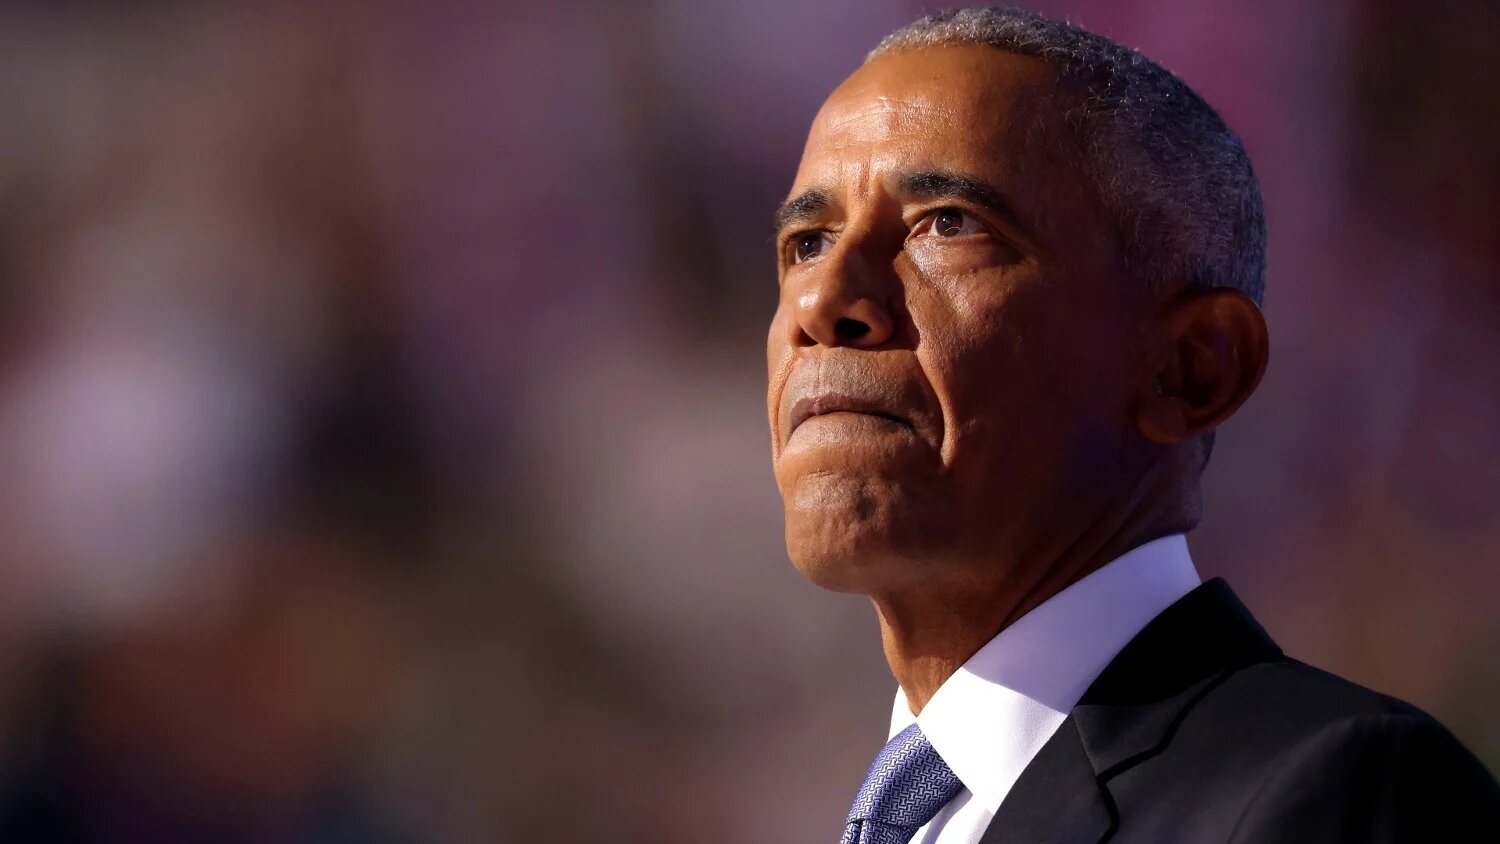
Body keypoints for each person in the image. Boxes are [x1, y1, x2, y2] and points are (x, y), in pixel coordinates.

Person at [765, 7, 1500, 843]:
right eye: (806, 242)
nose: (823, 303)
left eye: (949, 225)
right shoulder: (901, 811)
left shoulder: (1336, 791)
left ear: (1192, 368)